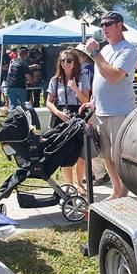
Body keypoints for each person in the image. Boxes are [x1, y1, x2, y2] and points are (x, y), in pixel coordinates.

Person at [81, 10, 137, 200]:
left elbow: (113, 76)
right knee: (106, 155)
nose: (103, 28)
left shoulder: (128, 50)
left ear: (119, 25)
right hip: (101, 112)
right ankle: (117, 190)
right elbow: (100, 79)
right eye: (102, 25)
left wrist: (95, 53)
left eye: (108, 24)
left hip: (120, 112)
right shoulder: (105, 50)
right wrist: (93, 102)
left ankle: (126, 190)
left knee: (118, 156)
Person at [46, 49, 89, 195]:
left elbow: (86, 101)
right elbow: (49, 102)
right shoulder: (55, 80)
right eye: (63, 61)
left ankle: (80, 183)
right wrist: (58, 112)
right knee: (64, 152)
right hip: (61, 116)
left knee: (80, 152)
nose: (65, 63)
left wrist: (75, 88)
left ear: (75, 62)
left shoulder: (82, 77)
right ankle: (68, 184)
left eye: (69, 60)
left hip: (78, 114)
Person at [74, 43, 110, 187]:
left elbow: (88, 93)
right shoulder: (90, 68)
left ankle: (99, 172)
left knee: (89, 142)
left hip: (89, 109)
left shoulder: (87, 70)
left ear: (82, 56)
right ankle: (95, 173)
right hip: (92, 108)